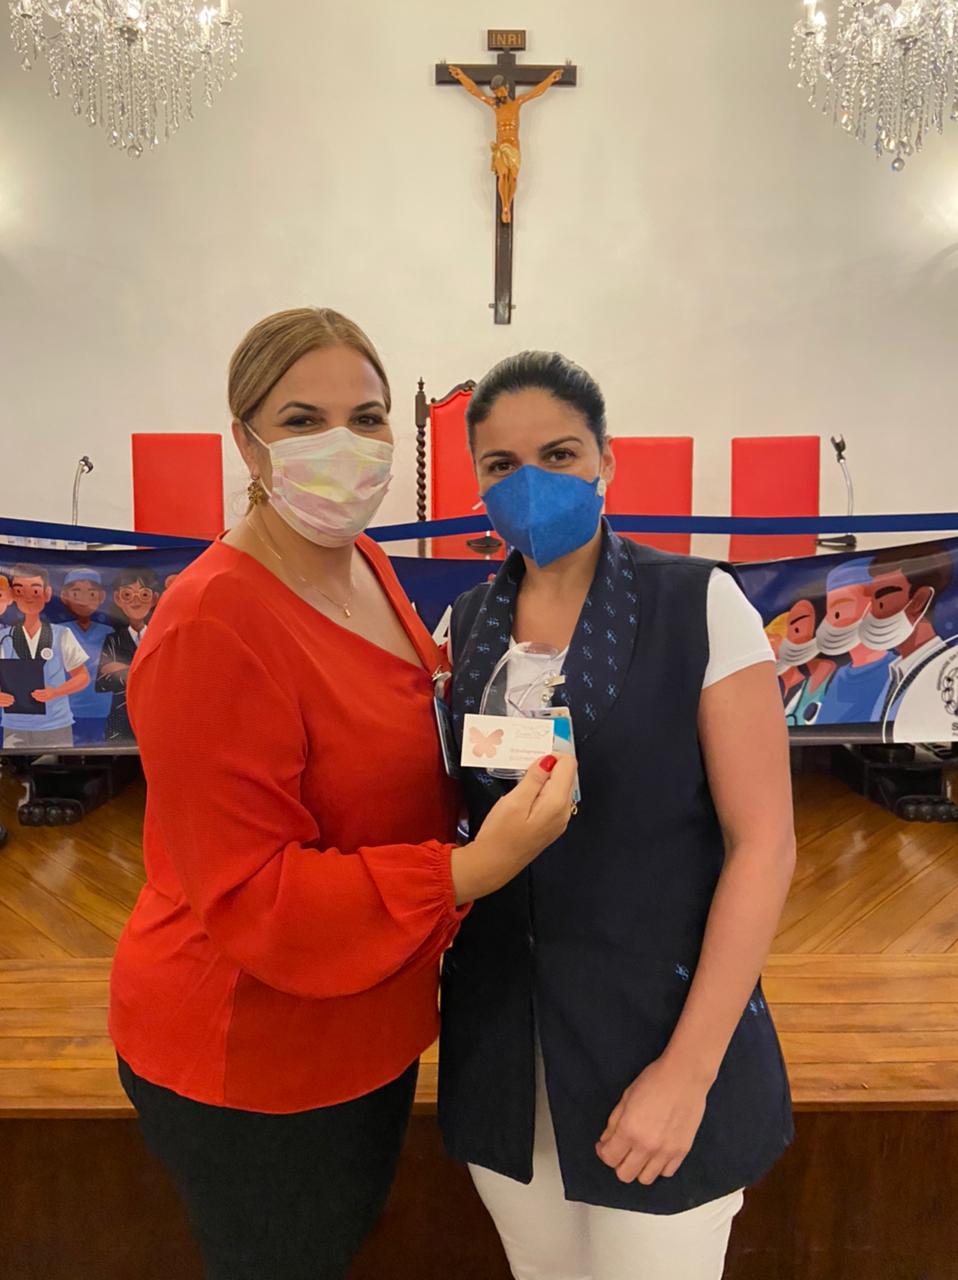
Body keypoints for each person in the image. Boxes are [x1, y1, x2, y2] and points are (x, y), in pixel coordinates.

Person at [108, 308, 576, 1280]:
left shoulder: (363, 562)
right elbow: (256, 893)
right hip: (255, 1047)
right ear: (247, 442)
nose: (345, 444)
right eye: (302, 419)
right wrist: (471, 869)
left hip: (370, 1011)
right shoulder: (212, 625)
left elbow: (401, 725)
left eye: (366, 417)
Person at [440, 351, 796, 1280]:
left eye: (559, 454)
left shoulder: (698, 604)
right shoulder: (464, 626)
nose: (531, 482)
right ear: (476, 481)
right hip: (507, 1055)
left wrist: (688, 1073)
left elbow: (763, 846)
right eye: (501, 464)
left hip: (659, 1036)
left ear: (606, 459)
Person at [864, 542, 958, 737]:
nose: (871, 612)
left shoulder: (945, 671)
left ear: (919, 600)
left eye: (881, 599)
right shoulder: (896, 672)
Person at [0, 564, 89, 750]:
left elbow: (82, 676)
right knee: (15, 769)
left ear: (47, 594)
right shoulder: (3, 637)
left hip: (56, 724)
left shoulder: (61, 635)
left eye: (35, 591)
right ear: (13, 595)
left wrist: (56, 692)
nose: (28, 597)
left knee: (59, 768)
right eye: (20, 591)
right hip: (15, 725)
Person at [815, 559, 894, 726]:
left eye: (838, 611)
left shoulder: (896, 673)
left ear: (873, 606)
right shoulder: (839, 676)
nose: (831, 621)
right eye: (830, 612)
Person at [96, 568, 161, 743]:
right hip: (120, 719)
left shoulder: (161, 637)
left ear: (154, 598)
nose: (136, 601)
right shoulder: (113, 639)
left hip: (156, 717)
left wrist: (122, 668)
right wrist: (146, 672)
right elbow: (102, 682)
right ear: (118, 599)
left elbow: (164, 677)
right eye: (127, 595)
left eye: (144, 594)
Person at [60, 568, 114, 745]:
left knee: (104, 753)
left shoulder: (109, 633)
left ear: (101, 597)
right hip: (68, 711)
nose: (83, 600)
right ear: (64, 597)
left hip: (103, 710)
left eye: (91, 594)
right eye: (76, 593)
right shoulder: (59, 632)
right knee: (68, 753)